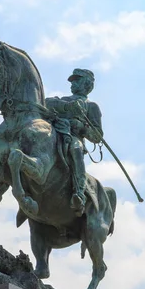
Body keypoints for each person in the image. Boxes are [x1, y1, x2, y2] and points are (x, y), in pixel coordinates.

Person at [46, 68, 103, 216]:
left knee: (76, 149)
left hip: (73, 138)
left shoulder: (92, 107)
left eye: (77, 80)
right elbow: (46, 104)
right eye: (73, 81)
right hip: (55, 134)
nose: (73, 83)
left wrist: (81, 128)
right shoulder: (63, 100)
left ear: (86, 84)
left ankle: (79, 192)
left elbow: (97, 136)